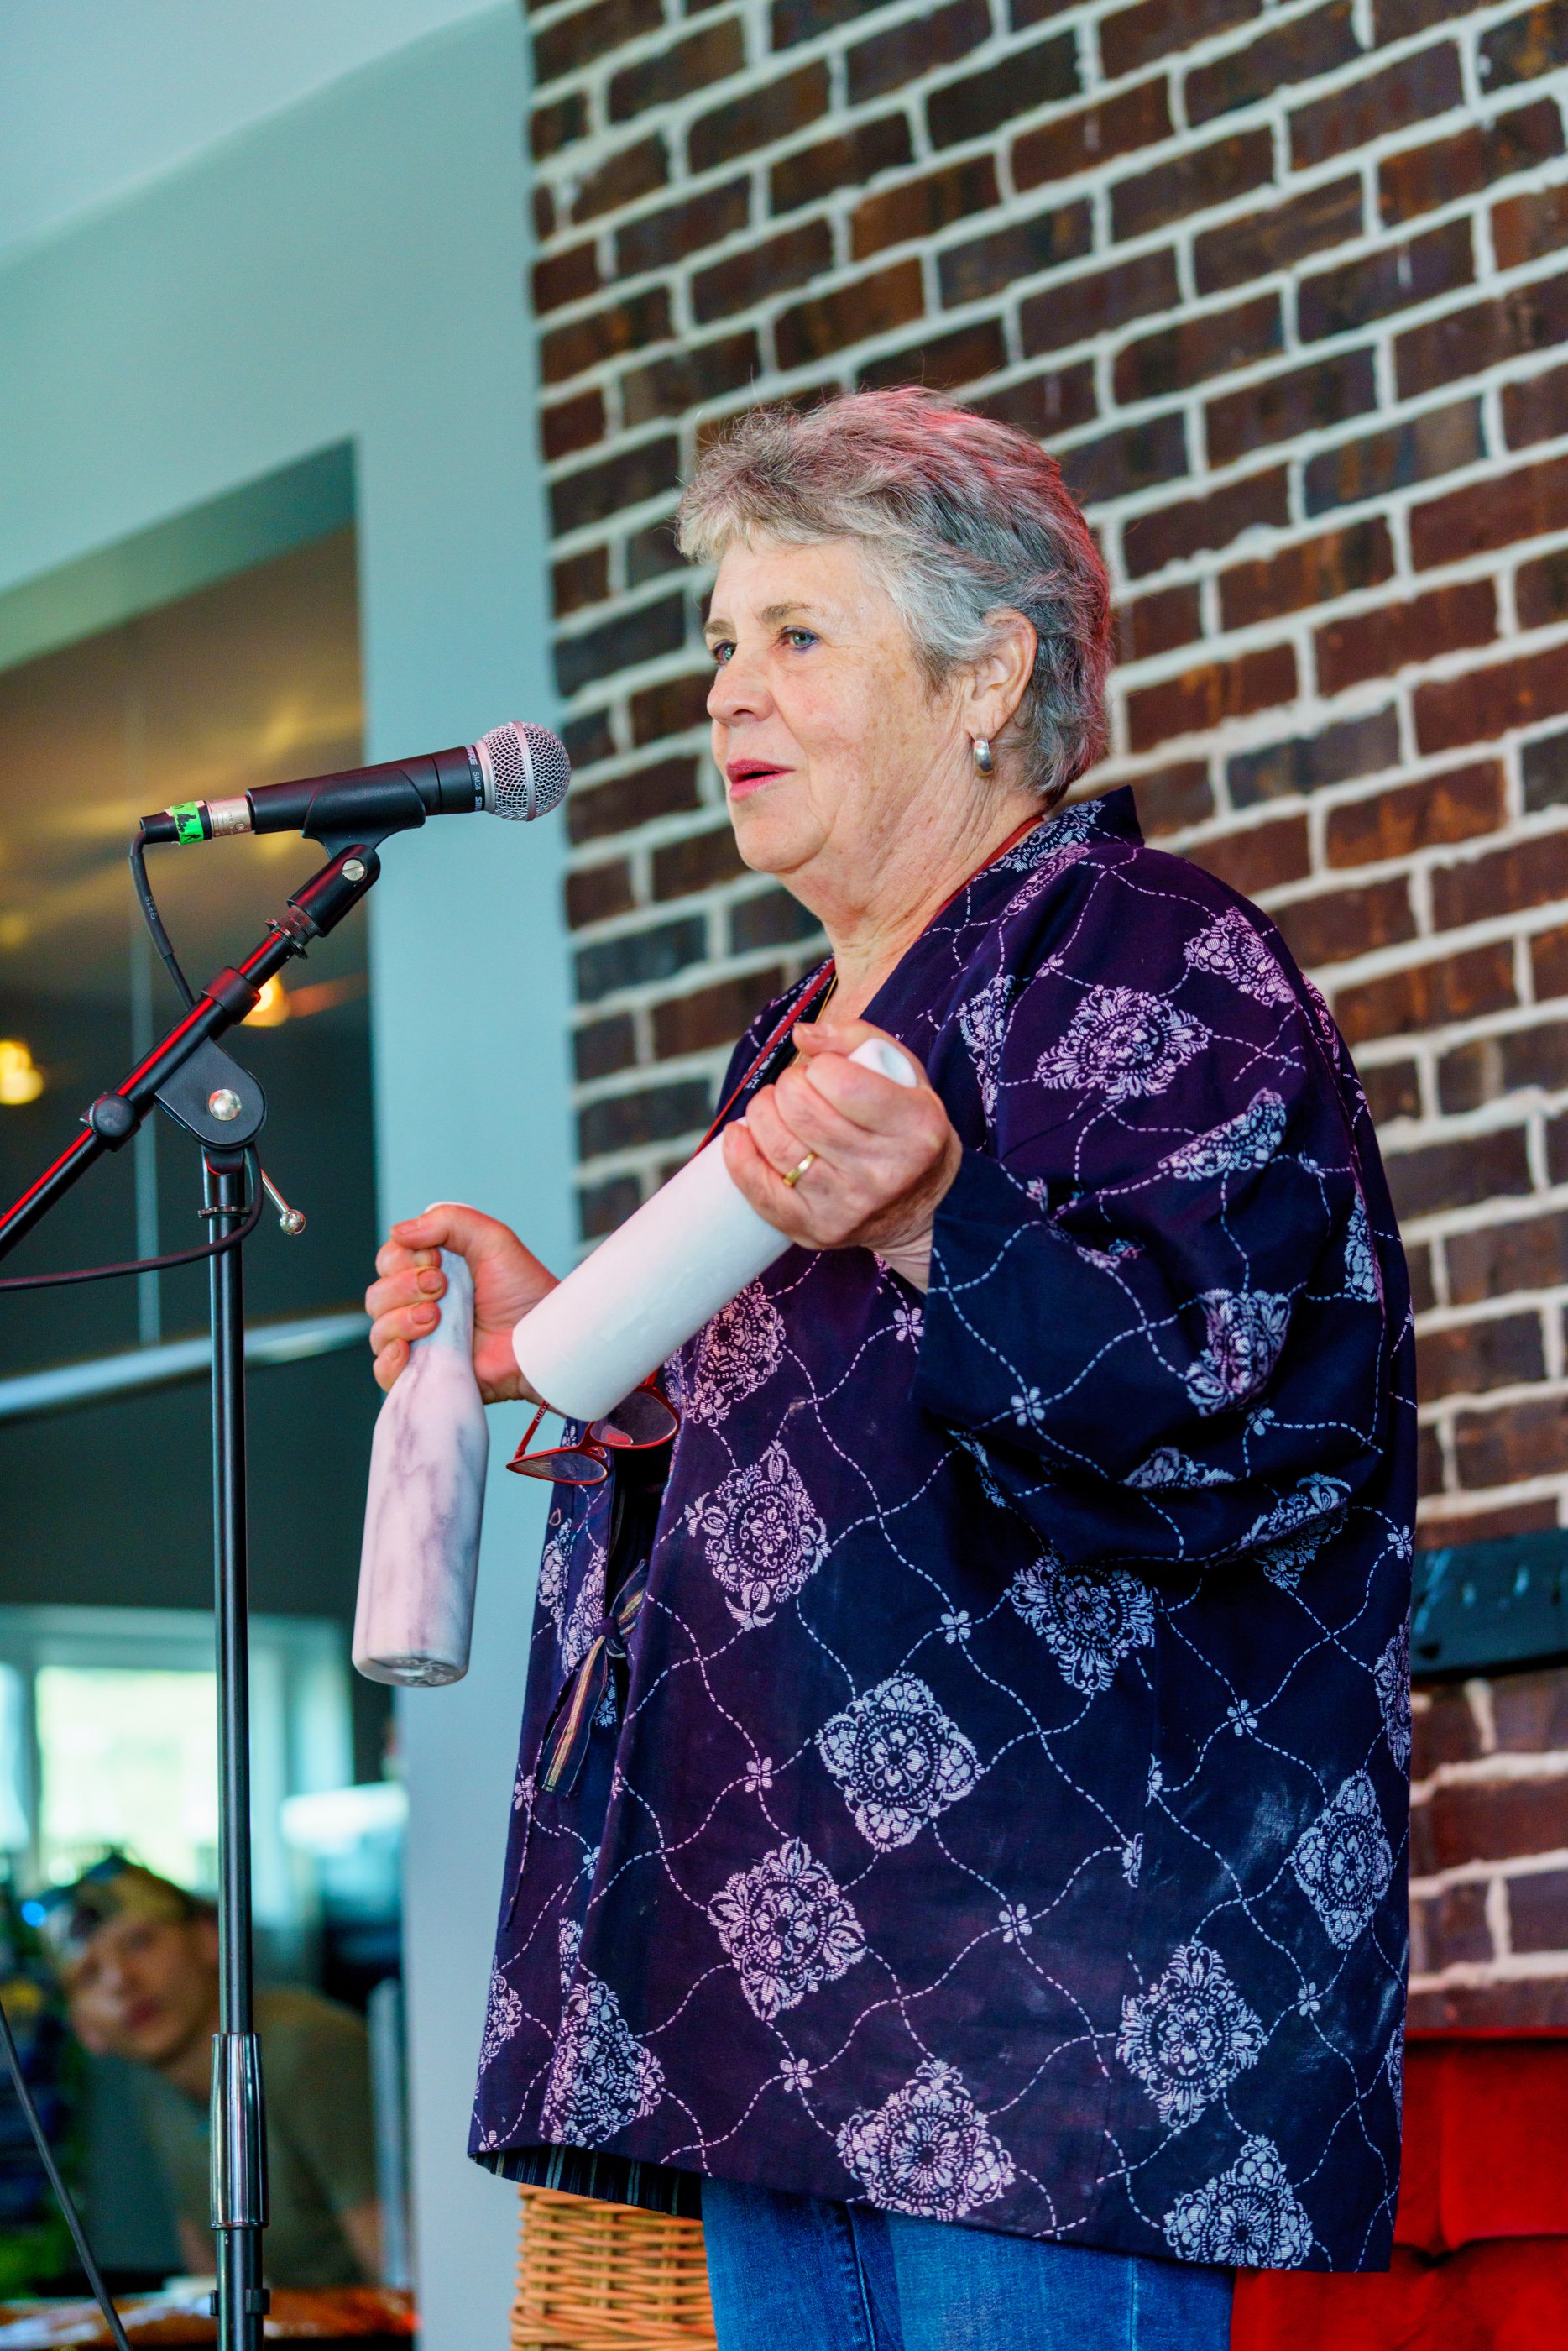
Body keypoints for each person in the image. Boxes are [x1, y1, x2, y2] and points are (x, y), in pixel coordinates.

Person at [367, 390, 1414, 2351]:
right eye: (714, 643)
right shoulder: (791, 1037)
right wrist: (573, 1358)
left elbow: (1239, 1413)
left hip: (1045, 2033)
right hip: (788, 2024)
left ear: (981, 678)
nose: (723, 694)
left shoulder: (1149, 960)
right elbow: (822, 1456)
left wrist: (945, 1224)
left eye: (794, 635)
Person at [42, 1856, 382, 2288]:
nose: (120, 1981)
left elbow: (400, 2276)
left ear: (210, 1936)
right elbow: (211, 2273)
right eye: (89, 1975)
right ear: (86, 2030)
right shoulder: (154, 2090)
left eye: (139, 1942)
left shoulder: (306, 2044)